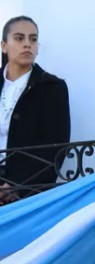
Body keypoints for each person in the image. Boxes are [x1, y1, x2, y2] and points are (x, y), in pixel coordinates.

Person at [0, 16, 71, 205]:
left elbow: (56, 145)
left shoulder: (52, 87)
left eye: (33, 39)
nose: (27, 44)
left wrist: (19, 186)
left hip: (27, 190)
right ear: (4, 46)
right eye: (19, 38)